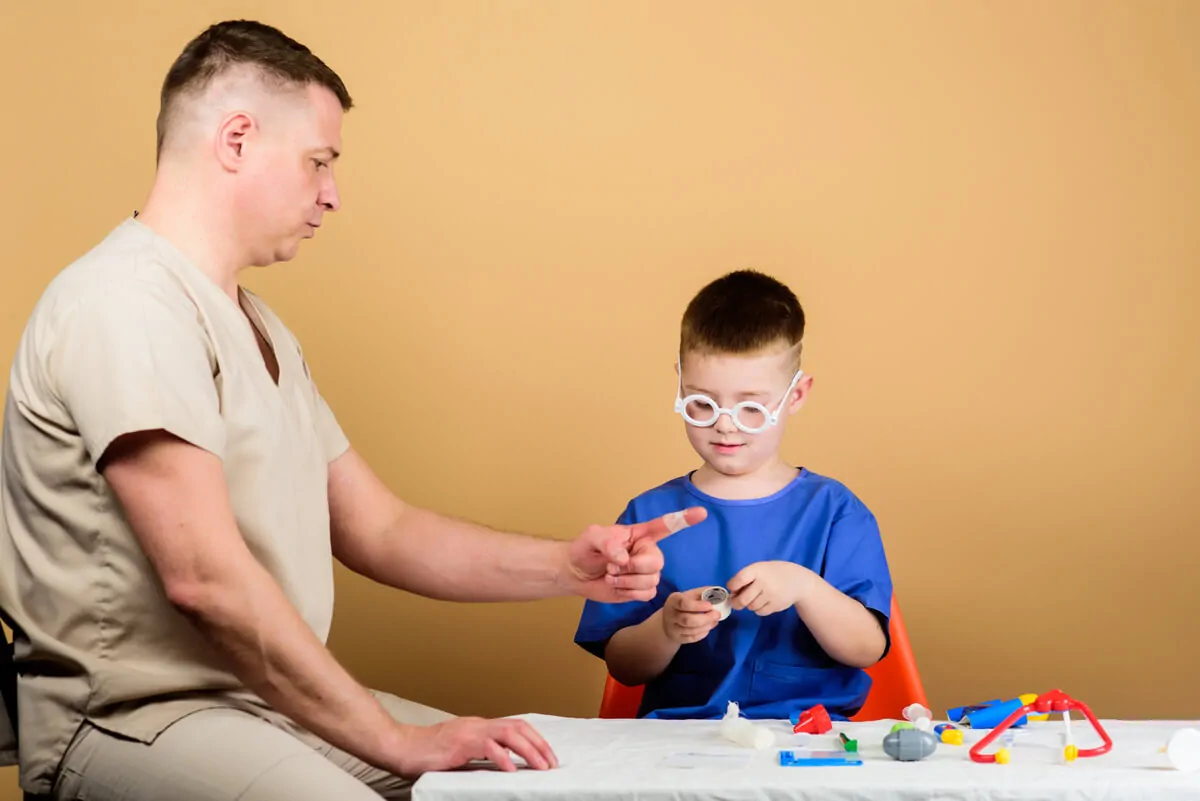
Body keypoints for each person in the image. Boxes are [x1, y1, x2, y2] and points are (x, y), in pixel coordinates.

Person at [0, 19, 705, 801]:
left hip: (263, 703)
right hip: (135, 719)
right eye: (318, 162)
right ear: (236, 139)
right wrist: (395, 741)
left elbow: (382, 528)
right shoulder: (125, 303)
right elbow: (204, 578)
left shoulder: (259, 327)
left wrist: (571, 568)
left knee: (524, 783)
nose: (331, 192)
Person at [573, 269, 892, 721]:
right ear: (679, 386)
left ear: (795, 395)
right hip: (679, 741)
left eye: (751, 408)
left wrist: (804, 586)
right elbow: (625, 667)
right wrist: (666, 627)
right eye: (702, 404)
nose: (725, 425)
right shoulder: (650, 515)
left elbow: (865, 648)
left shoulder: (835, 512)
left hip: (805, 738)